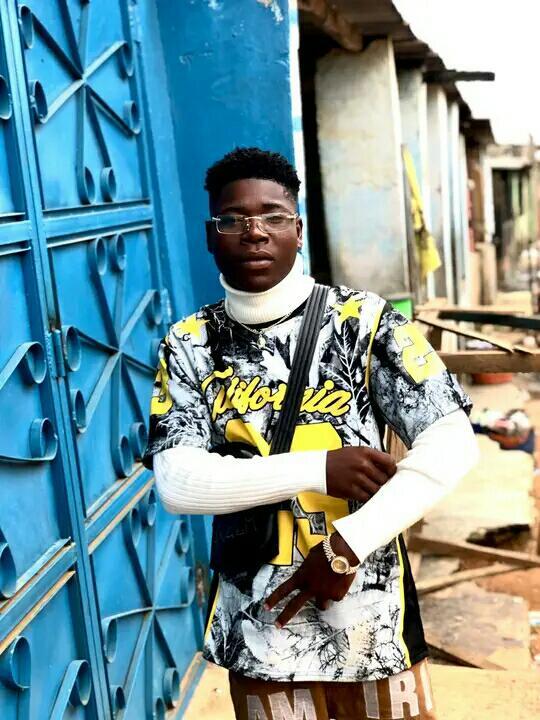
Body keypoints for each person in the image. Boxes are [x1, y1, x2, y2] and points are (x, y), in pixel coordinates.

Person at [143, 147, 478, 720]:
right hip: (261, 632)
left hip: (373, 629)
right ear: (210, 236)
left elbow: (452, 445)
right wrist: (319, 468)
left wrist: (347, 546)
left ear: (297, 230)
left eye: (273, 216)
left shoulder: (363, 323)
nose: (254, 233)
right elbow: (178, 482)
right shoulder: (190, 343)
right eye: (233, 219)